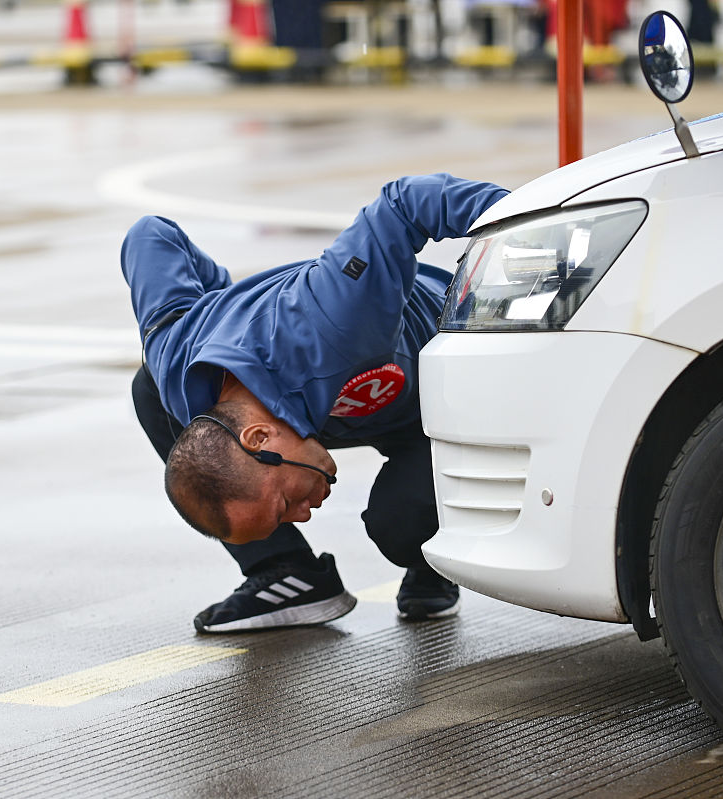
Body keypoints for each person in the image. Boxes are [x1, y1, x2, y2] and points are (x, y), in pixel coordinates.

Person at [122, 173, 509, 633]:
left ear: (259, 437)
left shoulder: (336, 319)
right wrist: (225, 301)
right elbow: (148, 237)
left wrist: (535, 228)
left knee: (403, 531)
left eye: (284, 503)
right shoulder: (177, 360)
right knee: (150, 393)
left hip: (440, 399)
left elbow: (407, 203)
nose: (303, 514)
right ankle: (287, 569)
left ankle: (430, 566)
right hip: (333, 409)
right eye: (285, 516)